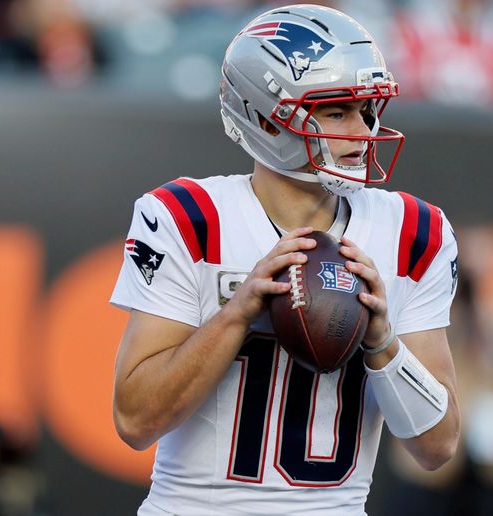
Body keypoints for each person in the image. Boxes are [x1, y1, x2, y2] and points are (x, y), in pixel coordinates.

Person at [109, 5, 461, 515]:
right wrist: (237, 313)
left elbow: (438, 448)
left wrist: (384, 343)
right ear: (264, 116)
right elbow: (135, 421)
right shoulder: (191, 219)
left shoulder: (413, 232)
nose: (363, 134)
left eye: (367, 112)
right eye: (337, 112)